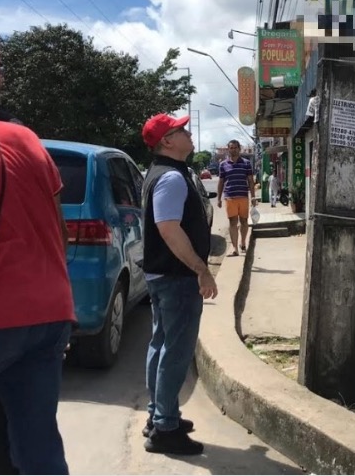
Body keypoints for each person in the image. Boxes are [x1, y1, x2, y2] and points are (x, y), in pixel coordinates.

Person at [0, 74, 75, 473]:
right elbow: (62, 232)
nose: (2, 75)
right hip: (49, 313)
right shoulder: (25, 138)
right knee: (38, 445)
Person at [141, 113, 218, 455]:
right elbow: (169, 229)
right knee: (176, 351)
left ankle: (159, 415)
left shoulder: (165, 173)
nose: (188, 134)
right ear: (167, 142)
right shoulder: (170, 177)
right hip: (176, 278)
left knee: (161, 345)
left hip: (164, 276)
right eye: (181, 130)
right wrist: (201, 270)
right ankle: (165, 429)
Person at [216, 139, 257, 256]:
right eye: (231, 148)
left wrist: (253, 197)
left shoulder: (246, 163)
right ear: (228, 149)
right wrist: (219, 198)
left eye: (235, 147)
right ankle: (235, 248)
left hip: (243, 196)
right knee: (232, 222)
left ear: (239, 149)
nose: (233, 150)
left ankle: (243, 242)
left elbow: (250, 180)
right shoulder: (223, 164)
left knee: (244, 221)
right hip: (230, 197)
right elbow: (221, 182)